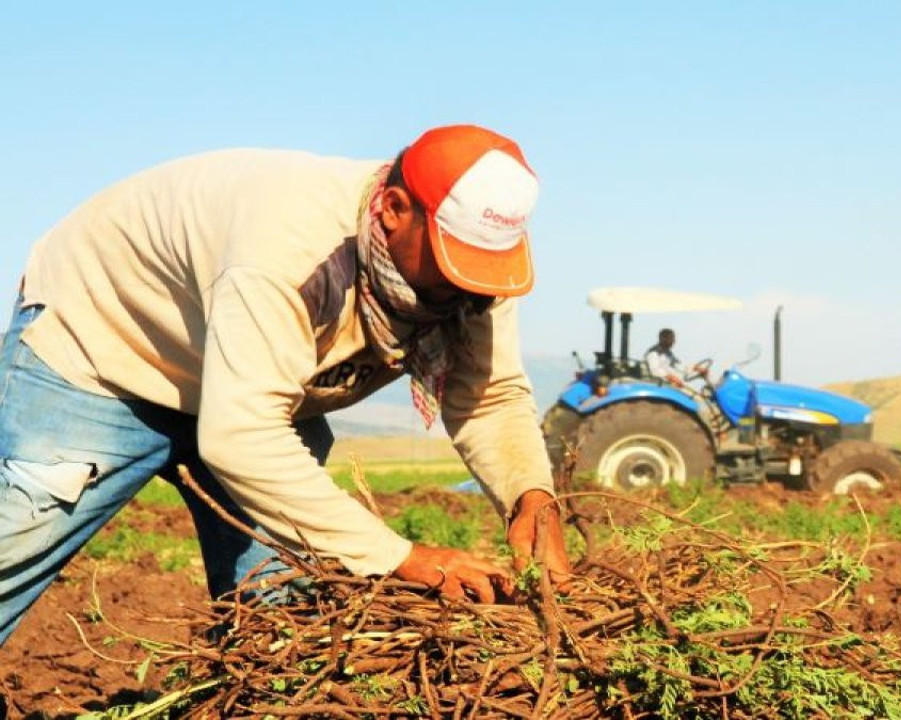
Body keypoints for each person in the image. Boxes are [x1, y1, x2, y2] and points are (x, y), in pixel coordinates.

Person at [0, 124, 571, 646]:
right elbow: (243, 436)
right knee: (14, 546)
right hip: (104, 347)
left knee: (279, 621)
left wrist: (532, 498)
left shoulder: (474, 275)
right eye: (452, 265)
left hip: (251, 390)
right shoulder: (287, 249)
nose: (464, 288)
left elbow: (488, 397)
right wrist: (401, 556)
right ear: (395, 209)